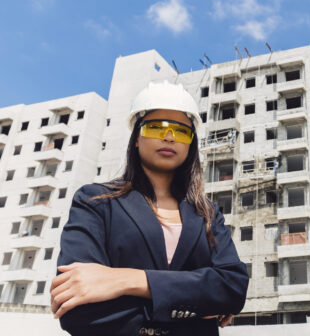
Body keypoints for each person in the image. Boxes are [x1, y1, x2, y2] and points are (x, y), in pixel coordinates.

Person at [50, 81, 249, 336]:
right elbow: (78, 309)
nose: (168, 137)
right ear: (136, 138)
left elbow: (232, 289)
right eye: (156, 127)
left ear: (191, 144)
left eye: (181, 131)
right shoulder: (96, 201)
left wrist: (126, 281)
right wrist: (197, 305)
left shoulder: (207, 214)